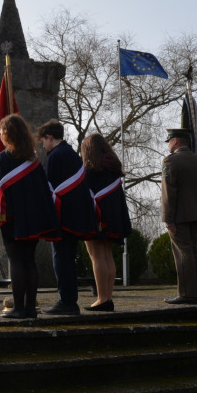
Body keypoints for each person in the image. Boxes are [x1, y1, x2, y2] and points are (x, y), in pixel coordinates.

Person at [0, 114, 59, 319]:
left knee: (16, 260)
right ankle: (30, 307)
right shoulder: (33, 160)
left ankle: (18, 308)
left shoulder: (2, 159)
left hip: (10, 219)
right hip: (32, 219)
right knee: (29, 260)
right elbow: (42, 191)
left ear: (7, 134)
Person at [37, 119, 97, 315]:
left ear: (49, 137)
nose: (43, 145)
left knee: (61, 260)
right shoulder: (71, 153)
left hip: (63, 218)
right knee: (68, 260)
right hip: (76, 216)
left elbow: (50, 191)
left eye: (43, 141)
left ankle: (67, 301)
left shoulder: (55, 156)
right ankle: (69, 299)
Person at [80, 133, 132, 311]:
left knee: (97, 257)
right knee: (108, 256)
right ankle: (108, 297)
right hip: (113, 218)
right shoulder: (113, 168)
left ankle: (102, 299)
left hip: (95, 218)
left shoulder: (89, 171)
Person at [160, 128, 197, 305]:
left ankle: (187, 294)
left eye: (169, 141)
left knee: (183, 253)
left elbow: (168, 192)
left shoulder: (171, 161)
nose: (169, 145)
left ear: (176, 142)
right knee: (194, 252)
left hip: (179, 215)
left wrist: (167, 217)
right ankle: (195, 293)